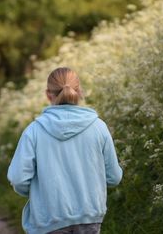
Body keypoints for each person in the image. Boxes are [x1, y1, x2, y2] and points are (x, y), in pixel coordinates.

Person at [7, 67, 123, 234]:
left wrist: (38, 192)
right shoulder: (99, 127)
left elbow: (18, 178)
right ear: (79, 91)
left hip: (48, 218)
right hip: (89, 218)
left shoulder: (33, 131)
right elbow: (114, 177)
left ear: (48, 94)